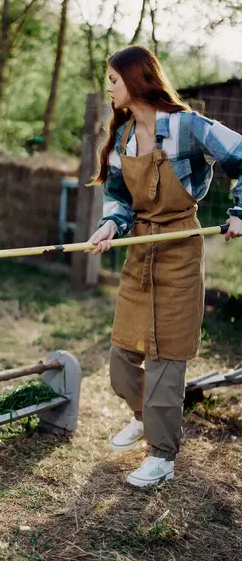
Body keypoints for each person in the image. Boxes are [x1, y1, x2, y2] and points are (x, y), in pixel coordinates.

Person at [87, 45, 242, 488]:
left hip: (179, 252)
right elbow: (118, 197)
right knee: (121, 363)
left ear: (136, 81)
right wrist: (109, 227)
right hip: (141, 253)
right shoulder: (122, 137)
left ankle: (162, 455)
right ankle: (145, 417)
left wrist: (239, 211)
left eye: (113, 80)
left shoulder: (189, 127)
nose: (109, 89)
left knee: (165, 364)